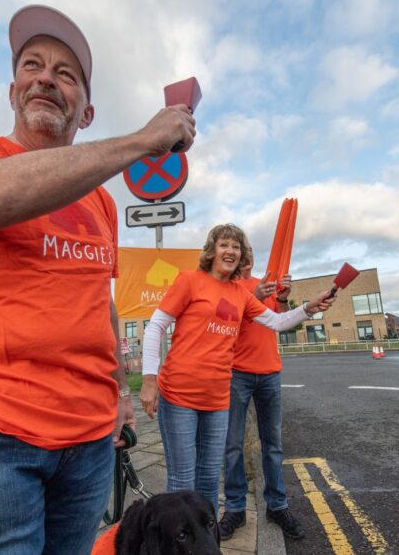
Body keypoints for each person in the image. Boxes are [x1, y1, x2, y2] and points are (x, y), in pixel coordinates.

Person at [0, 4, 196, 554]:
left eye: (65, 73)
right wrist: (143, 141)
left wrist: (118, 393)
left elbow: (100, 304)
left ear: (85, 113)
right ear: (13, 90)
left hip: (87, 440)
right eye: (32, 65)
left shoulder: (104, 203)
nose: (45, 76)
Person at [139, 224, 335, 514]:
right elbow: (156, 326)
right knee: (182, 482)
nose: (230, 251)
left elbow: (277, 322)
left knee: (208, 481)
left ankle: (206, 542)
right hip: (179, 395)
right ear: (212, 250)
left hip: (218, 399)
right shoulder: (190, 281)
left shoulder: (241, 294)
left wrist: (309, 307)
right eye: (224, 245)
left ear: (242, 255)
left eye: (236, 247)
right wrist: (149, 380)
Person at [219, 261, 304, 541]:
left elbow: (276, 321)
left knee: (273, 444)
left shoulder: (265, 282)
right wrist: (254, 294)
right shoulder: (227, 287)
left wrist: (280, 297)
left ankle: (277, 506)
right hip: (237, 373)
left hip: (269, 372)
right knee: (232, 445)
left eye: (249, 252)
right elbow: (225, 321)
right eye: (241, 252)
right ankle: (235, 508)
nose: (245, 258)